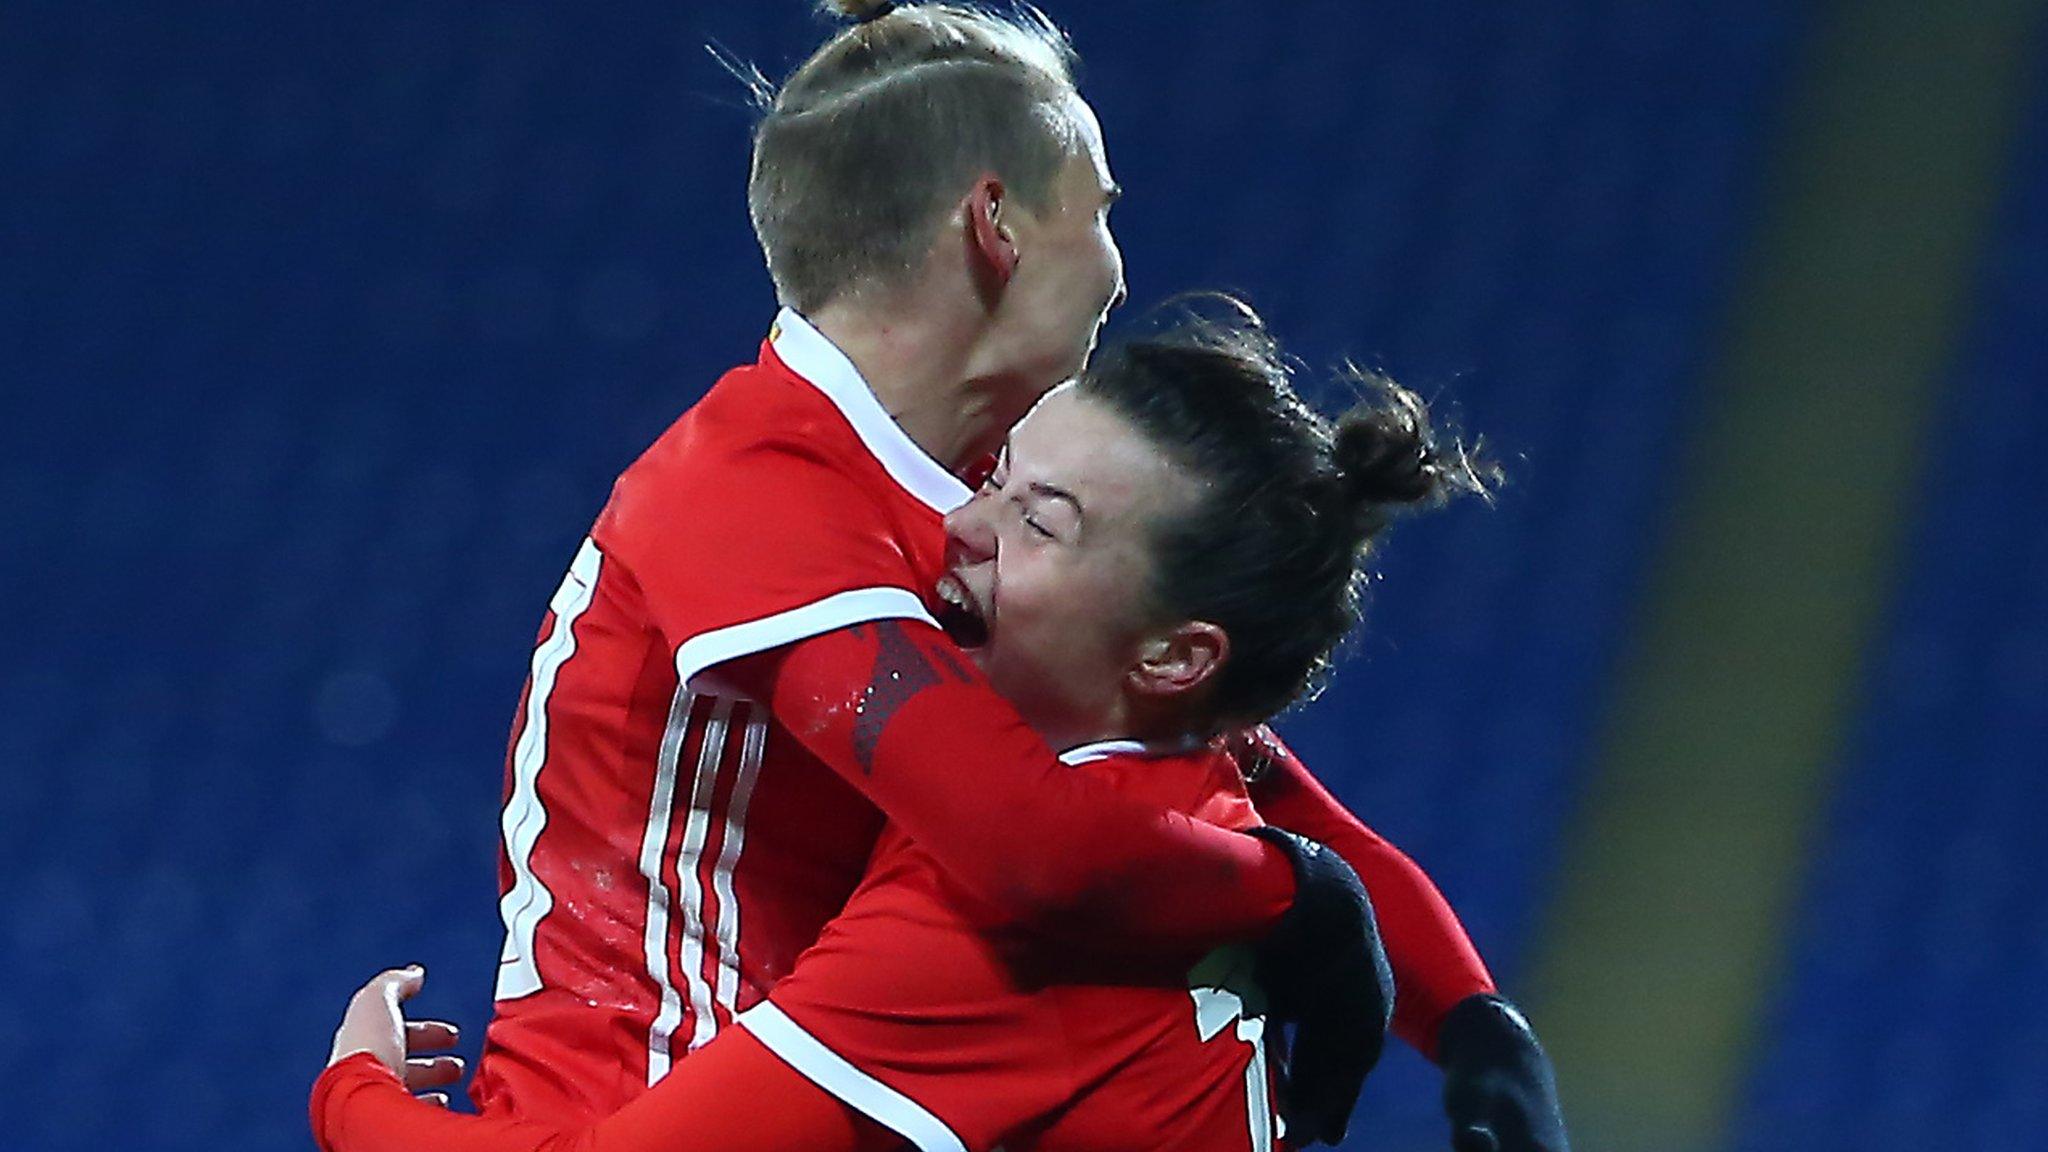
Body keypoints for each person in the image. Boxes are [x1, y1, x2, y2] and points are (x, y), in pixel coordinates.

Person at [453, 0, 1557, 1146]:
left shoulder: (998, 496)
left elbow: (1236, 780)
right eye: (1099, 212)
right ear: (996, 224)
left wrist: (1477, 1025)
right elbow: (1028, 840)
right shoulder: (750, 488)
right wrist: (1299, 897)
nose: (1118, 271)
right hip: (633, 1100)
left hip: (840, 1091)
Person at [314, 305, 1569, 1152]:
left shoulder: (986, 936)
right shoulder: (1180, 780)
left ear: (1178, 655)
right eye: (999, 477)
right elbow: (1309, 830)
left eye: (1044, 521)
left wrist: (355, 1097)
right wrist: (1473, 1029)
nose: (964, 529)